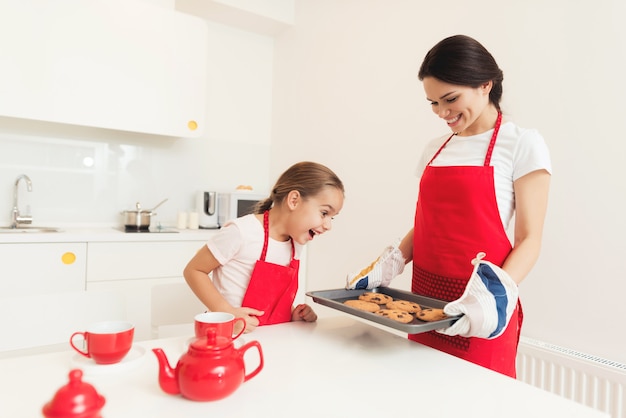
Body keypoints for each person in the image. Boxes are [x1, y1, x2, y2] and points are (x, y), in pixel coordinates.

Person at [347, 34, 551, 378]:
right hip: (423, 304)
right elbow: (429, 221)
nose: (442, 113)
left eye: (450, 99)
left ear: (486, 84)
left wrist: (492, 300)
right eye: (432, 103)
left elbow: (530, 239)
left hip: (480, 312)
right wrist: (393, 262)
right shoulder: (434, 148)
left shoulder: (522, 144)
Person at [184, 161, 345, 333]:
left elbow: (270, 303)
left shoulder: (295, 244)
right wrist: (227, 312)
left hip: (272, 338)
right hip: (230, 335)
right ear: (294, 200)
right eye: (324, 213)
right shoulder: (241, 232)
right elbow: (194, 270)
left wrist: (292, 315)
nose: (328, 225)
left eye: (332, 218)